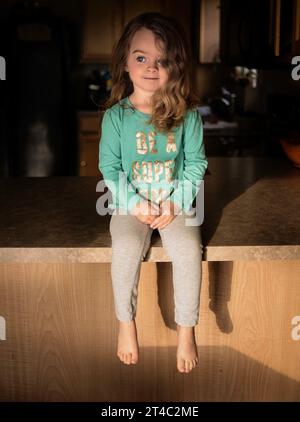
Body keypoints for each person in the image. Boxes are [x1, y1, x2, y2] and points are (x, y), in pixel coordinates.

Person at [98, 12, 208, 373]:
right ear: (125, 63)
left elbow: (195, 164)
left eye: (162, 60)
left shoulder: (188, 116)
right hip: (131, 206)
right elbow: (110, 169)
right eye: (141, 57)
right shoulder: (115, 118)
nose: (150, 67)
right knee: (127, 249)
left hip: (175, 203)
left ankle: (186, 329)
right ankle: (125, 324)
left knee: (189, 250)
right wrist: (134, 203)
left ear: (175, 67)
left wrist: (176, 201)